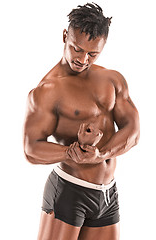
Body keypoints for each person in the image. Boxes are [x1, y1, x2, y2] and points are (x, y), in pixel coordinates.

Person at [23, 3, 140, 240]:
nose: (83, 59)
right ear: (65, 35)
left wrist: (101, 154)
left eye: (92, 53)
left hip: (107, 194)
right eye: (76, 49)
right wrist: (71, 152)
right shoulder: (47, 91)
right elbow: (31, 150)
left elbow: (133, 131)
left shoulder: (112, 79)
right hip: (69, 190)